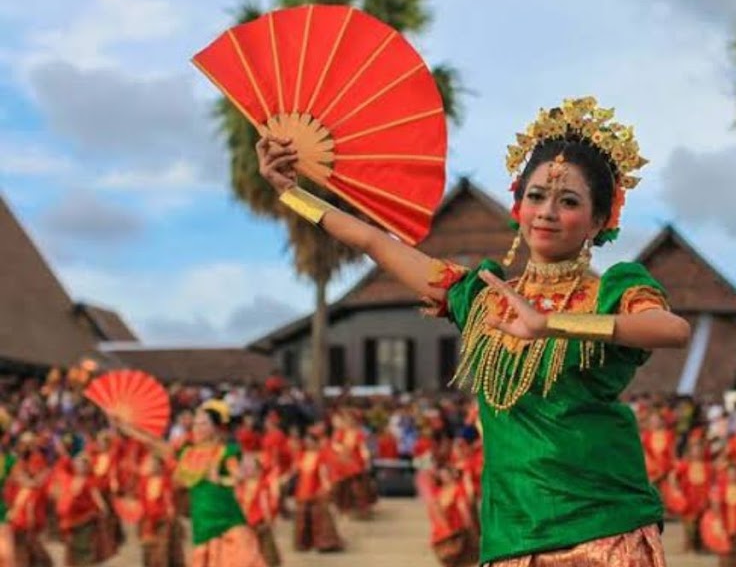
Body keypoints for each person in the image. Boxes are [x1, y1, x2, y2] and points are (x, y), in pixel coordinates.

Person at [257, 96, 690, 565]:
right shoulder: (482, 297)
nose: (546, 211)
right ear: (517, 204)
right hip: (513, 530)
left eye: (568, 201)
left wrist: (551, 325)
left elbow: (670, 329)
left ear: (599, 221)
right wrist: (289, 192)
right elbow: (374, 242)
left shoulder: (613, 290)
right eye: (536, 195)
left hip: (603, 526)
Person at [116, 399, 267, 567]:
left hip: (228, 520)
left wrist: (222, 479)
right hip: (203, 522)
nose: (197, 429)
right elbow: (154, 443)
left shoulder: (226, 451)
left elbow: (240, 476)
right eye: (195, 424)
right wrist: (127, 427)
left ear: (215, 428)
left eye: (203, 424)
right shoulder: (187, 454)